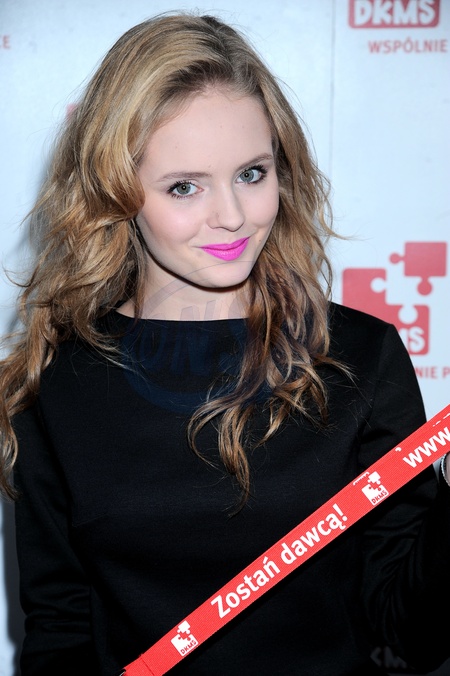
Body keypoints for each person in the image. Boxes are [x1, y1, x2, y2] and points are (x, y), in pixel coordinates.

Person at [0, 11, 449, 676]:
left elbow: (412, 635)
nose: (233, 217)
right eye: (184, 186)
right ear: (115, 192)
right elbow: (58, 632)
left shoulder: (361, 357)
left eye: (252, 173)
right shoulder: (57, 381)